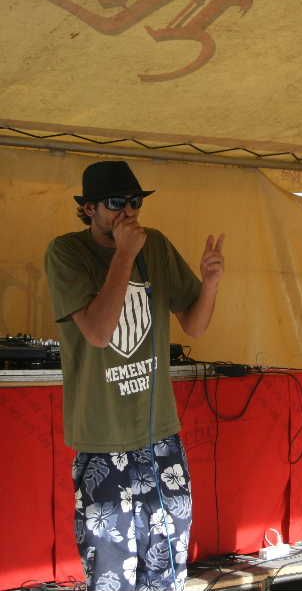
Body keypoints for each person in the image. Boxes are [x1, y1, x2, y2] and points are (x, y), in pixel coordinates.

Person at [44, 161, 225, 591]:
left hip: (160, 435)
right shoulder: (66, 253)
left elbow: (195, 325)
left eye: (135, 202)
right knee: (112, 573)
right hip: (102, 441)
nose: (128, 212)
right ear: (89, 208)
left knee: (167, 567)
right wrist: (124, 255)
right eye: (115, 203)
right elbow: (99, 333)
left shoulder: (155, 245)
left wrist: (211, 283)